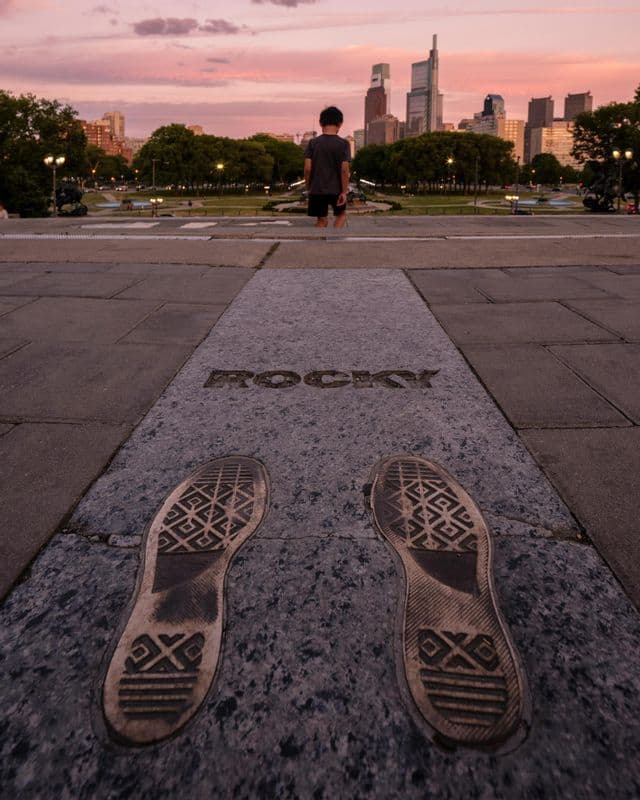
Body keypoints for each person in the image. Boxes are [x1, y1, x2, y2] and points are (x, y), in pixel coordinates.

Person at [304, 106, 351, 229]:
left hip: (317, 189)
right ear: (340, 123)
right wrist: (344, 192)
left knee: (322, 221)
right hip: (337, 190)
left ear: (321, 123)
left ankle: (318, 246)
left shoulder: (313, 143)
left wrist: (309, 187)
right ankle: (334, 242)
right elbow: (345, 169)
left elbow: (308, 169)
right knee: (341, 215)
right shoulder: (344, 144)